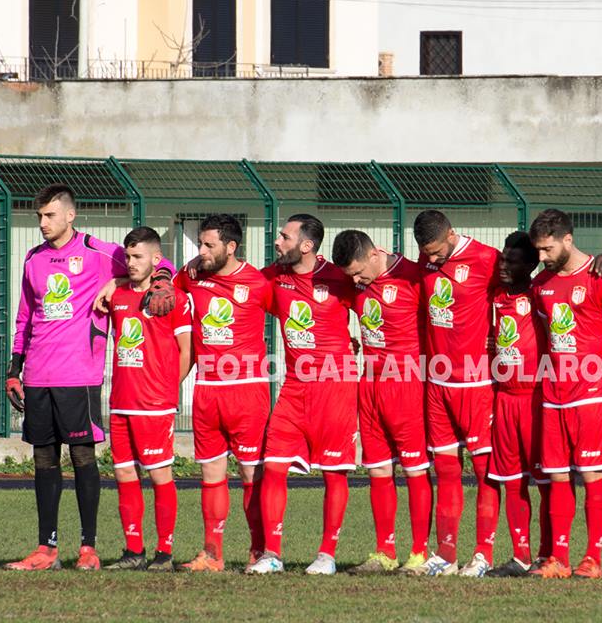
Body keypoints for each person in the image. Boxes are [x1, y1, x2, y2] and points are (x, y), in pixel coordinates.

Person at [4, 183, 175, 571]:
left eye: (49, 215)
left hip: (79, 374)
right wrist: (15, 367)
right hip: (38, 376)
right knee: (43, 458)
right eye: (39, 217)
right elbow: (25, 316)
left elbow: (152, 262)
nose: (43, 223)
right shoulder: (33, 259)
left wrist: (127, 280)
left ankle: (88, 548)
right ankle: (46, 549)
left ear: (70, 215)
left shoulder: (100, 252)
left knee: (83, 456)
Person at [248, 214, 358, 576]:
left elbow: (377, 309)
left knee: (333, 472)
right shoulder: (273, 277)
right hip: (294, 387)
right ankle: (272, 554)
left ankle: (326, 555)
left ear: (307, 245)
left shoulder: (340, 278)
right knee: (274, 467)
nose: (277, 242)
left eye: (284, 236)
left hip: (335, 387)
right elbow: (230, 280)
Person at [174, 214, 273, 572]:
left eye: (208, 245)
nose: (201, 251)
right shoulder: (192, 274)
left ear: (231, 247)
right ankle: (211, 554)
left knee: (251, 475)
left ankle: (259, 551)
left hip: (247, 392)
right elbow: (165, 283)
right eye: (200, 244)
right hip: (207, 391)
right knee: (211, 474)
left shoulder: (259, 284)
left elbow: (296, 313)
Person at [331, 230, 433, 575]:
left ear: (375, 254)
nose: (356, 281)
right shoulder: (354, 283)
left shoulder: (413, 277)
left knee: (415, 468)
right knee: (378, 469)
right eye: (351, 277)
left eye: (359, 272)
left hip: (406, 384)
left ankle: (420, 553)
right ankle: (384, 552)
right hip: (369, 383)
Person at [410, 210, 502, 577]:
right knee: (446, 471)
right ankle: (446, 555)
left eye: (435, 251)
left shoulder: (486, 259)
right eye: (425, 253)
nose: (430, 260)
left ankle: (482, 554)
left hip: (476, 385)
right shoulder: (426, 260)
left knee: (484, 473)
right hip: (437, 384)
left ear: (451, 234)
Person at [528, 208, 602, 580]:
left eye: (547, 249)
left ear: (568, 239)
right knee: (559, 476)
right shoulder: (540, 286)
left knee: (592, 475)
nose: (542, 258)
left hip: (590, 394)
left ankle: (592, 557)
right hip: (554, 393)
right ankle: (558, 559)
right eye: (538, 251)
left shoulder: (599, 278)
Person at [104, 226, 191, 572]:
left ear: (157, 259)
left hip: (155, 403)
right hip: (120, 401)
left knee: (159, 476)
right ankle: (133, 552)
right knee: (124, 474)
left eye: (138, 256)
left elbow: (187, 351)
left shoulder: (174, 298)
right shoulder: (118, 295)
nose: (130, 263)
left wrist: (170, 388)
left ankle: (165, 553)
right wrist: (112, 284)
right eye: (127, 256)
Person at [484, 231, 553, 578]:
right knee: (512, 480)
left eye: (512, 261)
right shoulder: (495, 295)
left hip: (536, 398)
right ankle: (520, 556)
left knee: (545, 481)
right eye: (502, 259)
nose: (504, 266)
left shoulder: (541, 292)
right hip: (505, 399)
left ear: (531, 264)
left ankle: (547, 554)